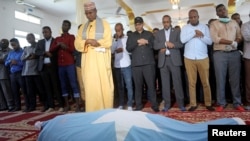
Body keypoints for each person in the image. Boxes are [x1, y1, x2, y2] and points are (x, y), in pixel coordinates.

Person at [74, 2, 114, 112]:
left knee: (103, 86)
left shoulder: (105, 24)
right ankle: (92, 112)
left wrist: (96, 42)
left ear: (96, 11)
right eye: (86, 13)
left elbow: (108, 41)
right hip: (88, 63)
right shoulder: (82, 27)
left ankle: (106, 111)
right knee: (90, 87)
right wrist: (87, 41)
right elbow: (77, 44)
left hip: (101, 61)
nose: (88, 15)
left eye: (90, 12)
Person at [209, 4, 245, 112]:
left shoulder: (233, 22)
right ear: (217, 13)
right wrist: (231, 42)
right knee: (220, 79)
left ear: (227, 10)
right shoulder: (214, 24)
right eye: (220, 10)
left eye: (224, 9)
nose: (222, 11)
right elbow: (215, 38)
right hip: (220, 53)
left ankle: (237, 102)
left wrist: (236, 43)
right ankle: (221, 102)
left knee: (235, 79)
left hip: (234, 53)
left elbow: (239, 36)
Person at [180, 9, 214, 111]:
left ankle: (208, 103)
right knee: (191, 83)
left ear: (198, 17)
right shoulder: (185, 28)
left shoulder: (204, 27)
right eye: (191, 17)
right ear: (189, 18)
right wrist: (193, 34)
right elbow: (182, 40)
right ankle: (193, 104)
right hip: (189, 58)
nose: (193, 19)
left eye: (195, 16)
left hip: (203, 57)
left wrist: (201, 35)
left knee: (206, 82)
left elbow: (210, 42)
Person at [126, 16, 159, 112]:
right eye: (136, 25)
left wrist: (146, 42)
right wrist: (137, 42)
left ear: (143, 24)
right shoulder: (131, 36)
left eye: (139, 24)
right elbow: (128, 48)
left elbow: (155, 46)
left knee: (151, 85)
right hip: (136, 65)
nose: (138, 26)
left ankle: (154, 104)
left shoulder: (149, 34)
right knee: (138, 86)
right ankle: (139, 105)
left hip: (148, 64)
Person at [154, 15, 186, 112]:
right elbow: (155, 46)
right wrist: (164, 44)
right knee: (165, 84)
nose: (166, 23)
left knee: (178, 83)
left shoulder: (177, 31)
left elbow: (181, 44)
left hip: (174, 60)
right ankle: (167, 104)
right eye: (164, 22)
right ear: (162, 23)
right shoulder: (158, 33)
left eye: (167, 22)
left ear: (171, 22)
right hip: (163, 61)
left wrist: (173, 45)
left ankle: (181, 104)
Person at [50, 20, 80, 112]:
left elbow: (73, 50)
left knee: (73, 84)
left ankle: (78, 105)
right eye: (63, 25)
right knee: (63, 85)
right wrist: (58, 44)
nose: (64, 26)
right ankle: (66, 105)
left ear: (69, 27)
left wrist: (65, 46)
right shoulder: (57, 38)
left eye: (66, 25)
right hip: (60, 65)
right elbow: (51, 49)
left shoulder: (71, 37)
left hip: (69, 64)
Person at [35, 26, 63, 112]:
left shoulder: (56, 41)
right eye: (43, 32)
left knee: (56, 87)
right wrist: (44, 53)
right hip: (43, 67)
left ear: (51, 32)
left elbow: (59, 53)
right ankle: (51, 106)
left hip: (53, 67)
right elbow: (37, 52)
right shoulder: (40, 42)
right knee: (47, 88)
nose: (44, 34)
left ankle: (61, 105)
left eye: (46, 32)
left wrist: (52, 55)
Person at [111, 23, 133, 111]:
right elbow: (112, 51)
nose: (118, 32)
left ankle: (130, 104)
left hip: (126, 65)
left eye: (119, 30)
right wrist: (116, 41)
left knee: (129, 86)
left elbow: (131, 51)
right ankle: (121, 103)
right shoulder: (114, 40)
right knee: (120, 86)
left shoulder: (127, 38)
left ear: (123, 29)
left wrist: (123, 50)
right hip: (117, 66)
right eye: (116, 31)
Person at [21, 33, 45, 112]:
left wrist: (35, 55)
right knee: (30, 91)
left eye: (30, 37)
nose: (29, 39)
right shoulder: (26, 48)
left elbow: (39, 55)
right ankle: (32, 106)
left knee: (40, 90)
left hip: (36, 72)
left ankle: (45, 105)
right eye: (27, 38)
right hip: (27, 73)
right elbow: (22, 58)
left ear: (34, 37)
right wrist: (28, 57)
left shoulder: (39, 46)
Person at [5, 38, 26, 112]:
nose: (13, 46)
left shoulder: (23, 52)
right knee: (14, 91)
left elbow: (25, 63)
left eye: (14, 44)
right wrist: (10, 61)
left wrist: (17, 63)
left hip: (20, 73)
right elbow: (6, 63)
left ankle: (27, 105)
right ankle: (17, 106)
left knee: (24, 90)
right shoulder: (11, 53)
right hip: (12, 74)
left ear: (18, 43)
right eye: (12, 45)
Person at [0, 39, 14, 111]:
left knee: (7, 91)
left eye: (4, 43)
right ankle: (3, 106)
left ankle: (10, 105)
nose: (2, 44)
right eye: (1, 43)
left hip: (4, 73)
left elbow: (4, 60)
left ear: (7, 44)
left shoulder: (10, 51)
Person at [241, 13, 250, 110]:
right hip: (249, 57)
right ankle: (248, 102)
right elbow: (247, 37)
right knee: (248, 81)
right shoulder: (245, 26)